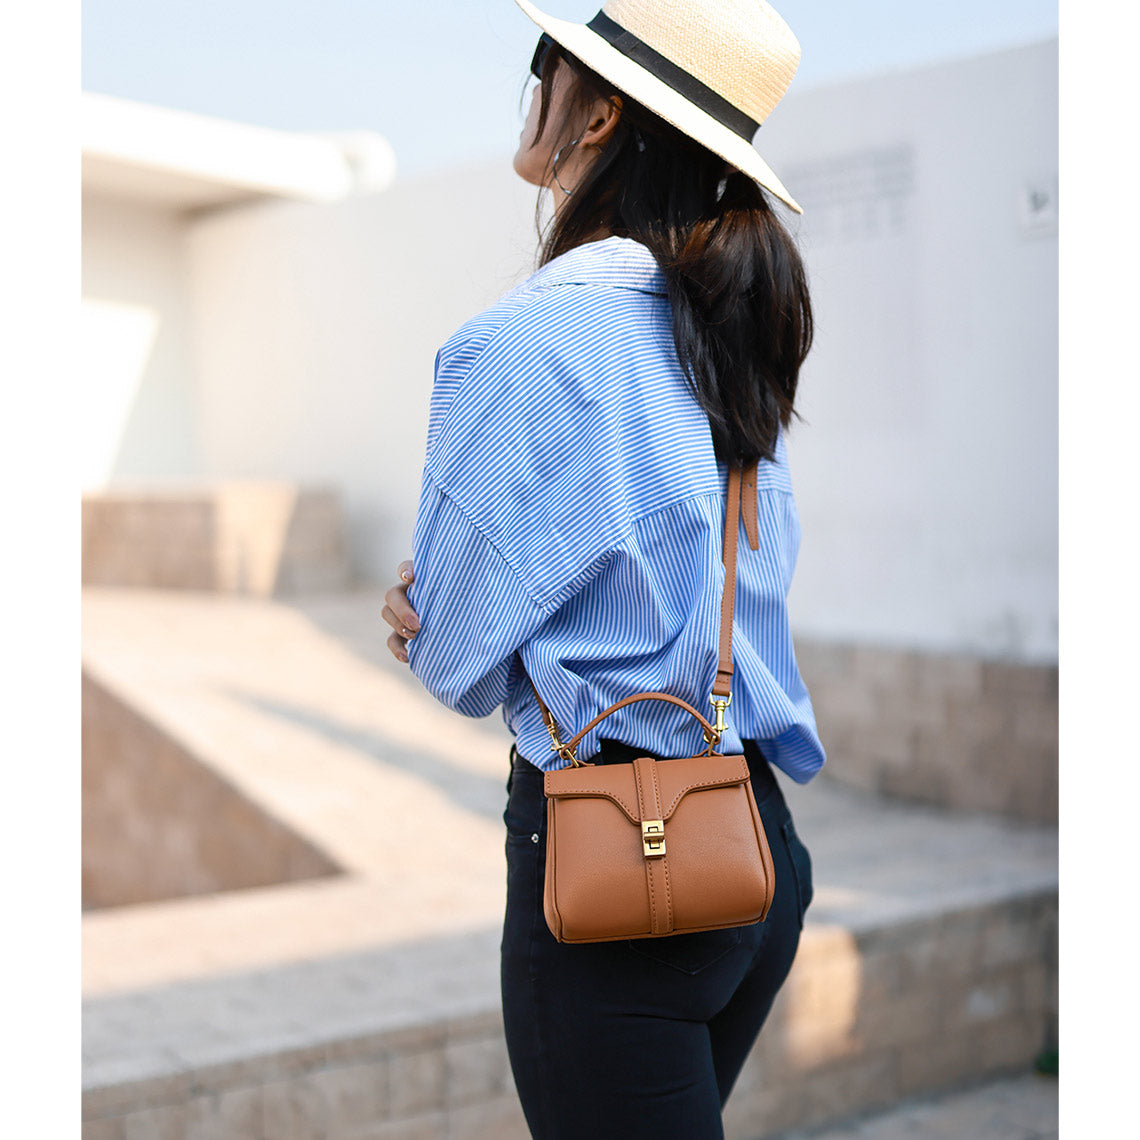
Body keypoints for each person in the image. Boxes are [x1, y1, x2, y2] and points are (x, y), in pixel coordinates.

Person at [382, 2, 825, 1135]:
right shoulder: (727, 324)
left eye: (551, 63)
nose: (533, 84)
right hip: (754, 845)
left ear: (600, 116)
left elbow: (456, 660)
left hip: (619, 871)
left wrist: (425, 614)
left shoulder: (525, 341)